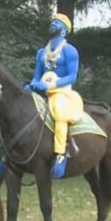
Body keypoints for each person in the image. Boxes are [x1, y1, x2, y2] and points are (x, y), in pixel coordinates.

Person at [24, 13, 83, 179]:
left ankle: (60, 154)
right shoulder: (41, 53)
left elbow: (72, 76)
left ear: (64, 31)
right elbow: (37, 75)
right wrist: (32, 85)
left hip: (62, 92)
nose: (53, 25)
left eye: (57, 23)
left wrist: (51, 85)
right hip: (42, 91)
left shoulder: (70, 51)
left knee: (59, 113)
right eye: (52, 22)